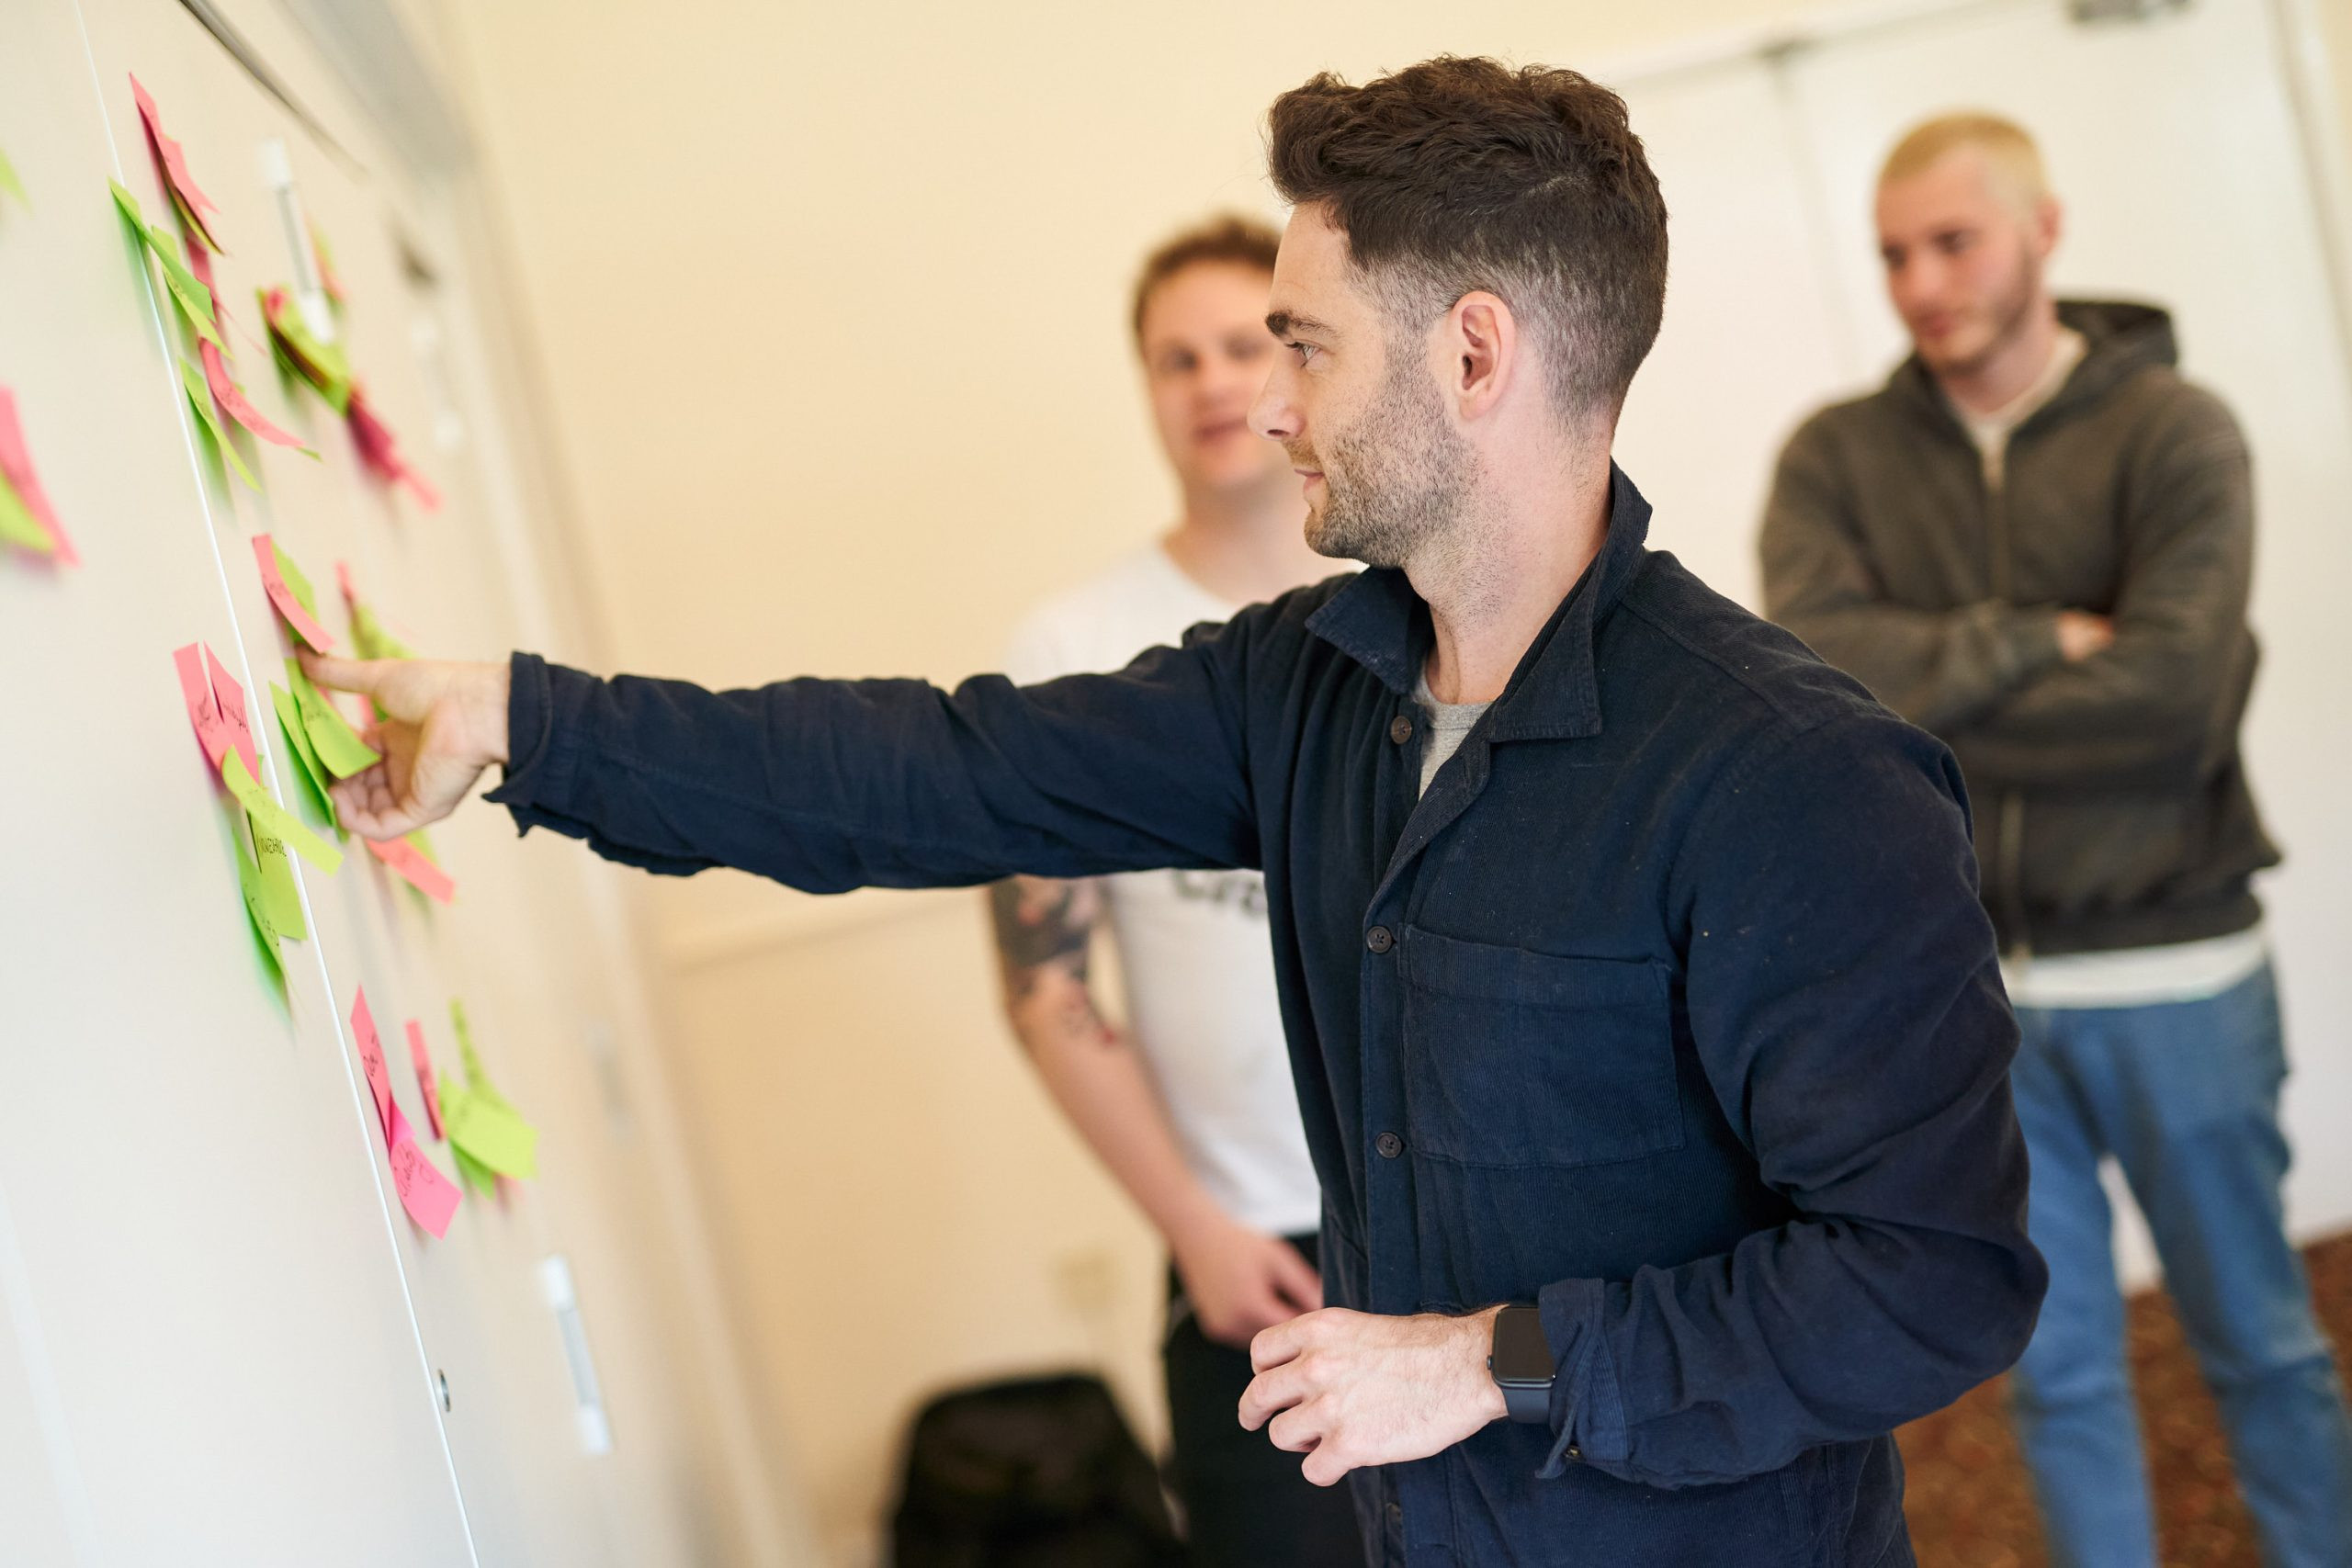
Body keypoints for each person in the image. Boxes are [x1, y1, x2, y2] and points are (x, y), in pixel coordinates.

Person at [306, 58, 2044, 1566]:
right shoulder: (1308, 685)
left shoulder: (1798, 780)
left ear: (1475, 353)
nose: (1263, 404)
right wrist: (522, 724)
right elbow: (940, 772)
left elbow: (1929, 1278)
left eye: (1304, 343)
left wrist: (1486, 1361)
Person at [1760, 112, 2352, 1567]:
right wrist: (2041, 642)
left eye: (1953, 242)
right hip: (1967, 998)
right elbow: (1816, 683)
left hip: (2178, 975)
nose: (1919, 284)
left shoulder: (2174, 429)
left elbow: (2171, 707)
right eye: (1895, 254)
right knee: (2060, 1372)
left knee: (2263, 1346)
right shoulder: (1838, 460)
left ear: (2045, 229)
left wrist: (1929, 701)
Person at [986, 214, 1363, 1566]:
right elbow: (1047, 986)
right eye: (1172, 358)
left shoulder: (1416, 594)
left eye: (1242, 345)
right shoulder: (1074, 648)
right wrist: (1196, 1229)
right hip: (1244, 1270)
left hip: (1468, 1234)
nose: (1210, 381)